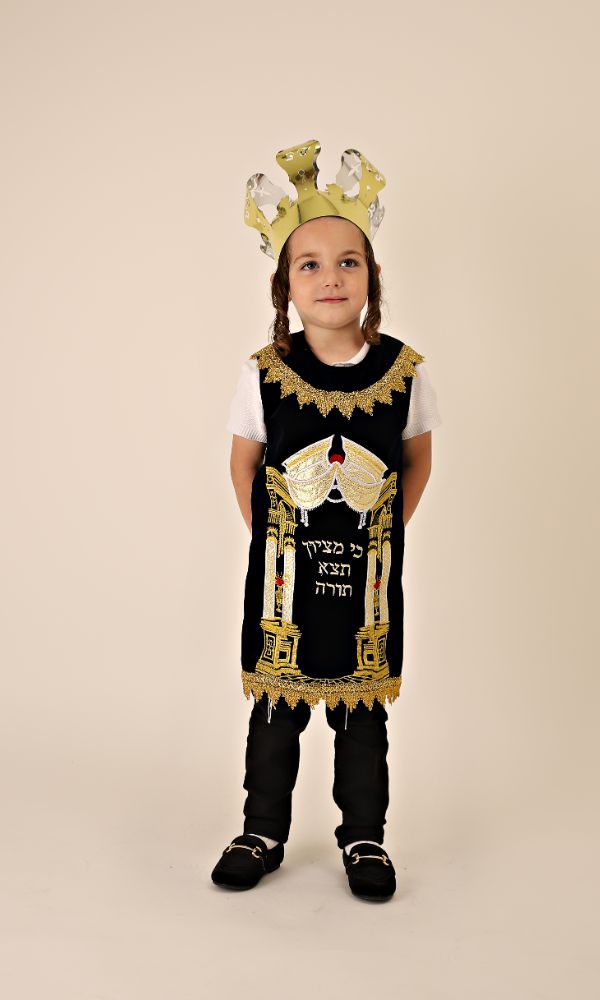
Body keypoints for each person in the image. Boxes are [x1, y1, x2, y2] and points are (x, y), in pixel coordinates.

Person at [210, 139, 441, 901]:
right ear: (286, 286)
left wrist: (386, 536)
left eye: (348, 262)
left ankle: (364, 837)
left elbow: (417, 460)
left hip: (368, 584)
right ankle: (262, 830)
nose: (331, 277)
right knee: (276, 708)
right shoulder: (264, 373)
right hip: (285, 583)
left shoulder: (403, 372)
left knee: (363, 713)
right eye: (309, 265)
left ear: (372, 276)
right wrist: (275, 545)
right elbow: (244, 465)